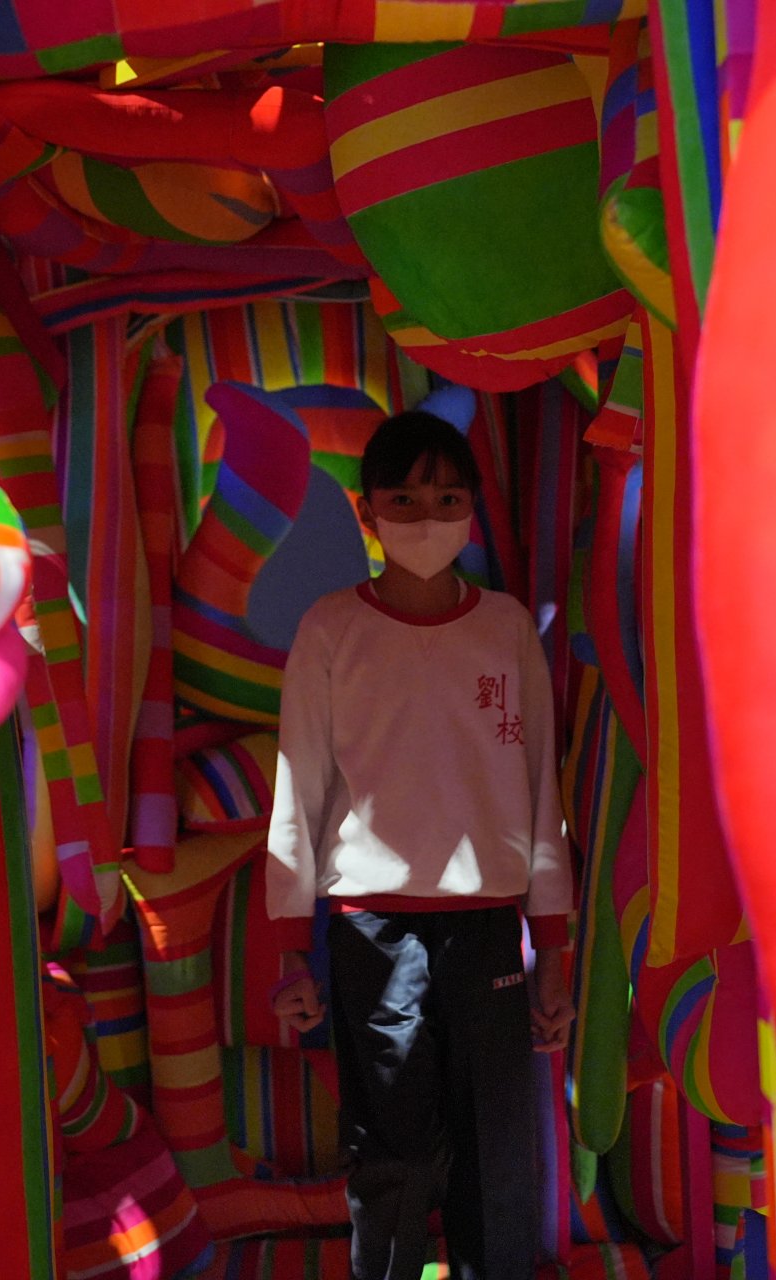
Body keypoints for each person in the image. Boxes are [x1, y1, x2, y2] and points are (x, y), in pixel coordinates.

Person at [263, 408, 576, 1280]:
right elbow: (298, 789)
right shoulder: (331, 630)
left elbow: (541, 791)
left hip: (489, 928)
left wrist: (553, 948)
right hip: (371, 930)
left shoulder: (506, 628)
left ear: (472, 508)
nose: (427, 518)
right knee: (391, 1147)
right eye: (403, 499)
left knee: (496, 1149)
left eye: (447, 499)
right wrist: (289, 950)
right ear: (366, 513)